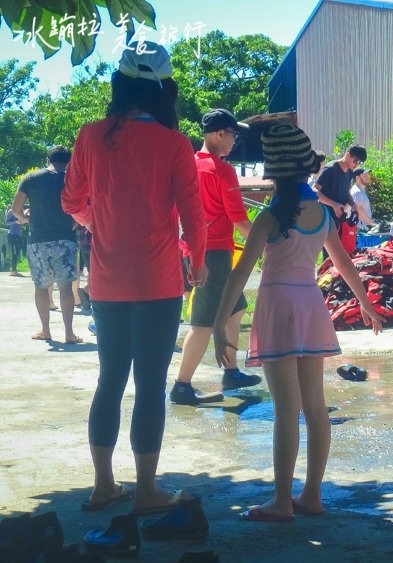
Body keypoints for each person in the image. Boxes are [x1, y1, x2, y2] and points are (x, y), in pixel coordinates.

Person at [63, 40, 209, 514]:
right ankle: (147, 491)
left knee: (110, 379)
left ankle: (103, 485)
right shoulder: (174, 143)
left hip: (107, 279)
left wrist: (98, 222)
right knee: (149, 384)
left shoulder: (89, 135)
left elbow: (71, 202)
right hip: (158, 279)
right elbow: (193, 214)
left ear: (119, 84)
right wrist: (199, 261)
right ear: (164, 89)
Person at [213, 123, 384, 521]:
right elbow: (343, 264)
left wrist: (222, 321)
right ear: (307, 168)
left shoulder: (271, 218)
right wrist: (368, 305)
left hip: (277, 305)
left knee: (286, 409)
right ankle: (312, 496)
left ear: (273, 170)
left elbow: (239, 275)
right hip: (310, 304)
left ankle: (280, 502)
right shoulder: (323, 215)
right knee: (316, 407)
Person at [170, 108, 260, 405]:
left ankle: (231, 370)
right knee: (203, 323)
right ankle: (182, 385)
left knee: (236, 308)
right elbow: (240, 220)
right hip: (214, 253)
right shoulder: (221, 171)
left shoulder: (187, 166)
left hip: (193, 248)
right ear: (219, 134)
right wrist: (268, 247)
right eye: (233, 135)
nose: (235, 141)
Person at [12, 146, 81, 344]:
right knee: (66, 288)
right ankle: (69, 333)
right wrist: (74, 223)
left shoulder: (31, 178)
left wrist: (23, 219)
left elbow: (16, 208)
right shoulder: (73, 179)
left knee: (41, 287)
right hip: (65, 239)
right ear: (69, 161)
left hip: (38, 240)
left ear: (47, 159)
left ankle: (46, 330)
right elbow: (84, 206)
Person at [314, 144, 367, 254]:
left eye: (359, 162)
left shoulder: (349, 172)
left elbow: (345, 191)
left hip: (339, 219)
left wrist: (353, 205)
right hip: (326, 217)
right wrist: (334, 205)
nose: (356, 164)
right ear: (348, 154)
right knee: (329, 256)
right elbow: (315, 191)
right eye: (356, 160)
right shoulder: (330, 169)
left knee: (341, 253)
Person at [6, 206, 26, 276]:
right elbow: (7, 222)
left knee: (17, 252)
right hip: (12, 234)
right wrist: (16, 222)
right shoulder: (11, 211)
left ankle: (14, 269)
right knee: (13, 252)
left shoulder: (22, 210)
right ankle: (13, 270)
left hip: (19, 234)